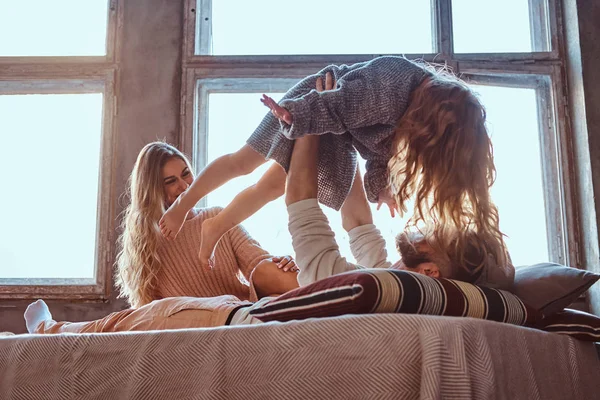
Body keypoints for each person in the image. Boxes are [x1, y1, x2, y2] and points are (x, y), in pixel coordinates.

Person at [158, 56, 507, 277]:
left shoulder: (412, 121)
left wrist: (380, 188)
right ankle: (183, 206)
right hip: (314, 102)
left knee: (272, 187)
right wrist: (296, 118)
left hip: (334, 126)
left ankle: (215, 226)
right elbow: (340, 101)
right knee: (244, 162)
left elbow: (378, 151)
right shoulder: (392, 84)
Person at [284, 115, 514, 289]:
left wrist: (310, 121)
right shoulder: (393, 280)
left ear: (429, 271)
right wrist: (340, 136)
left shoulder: (374, 288)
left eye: (435, 234)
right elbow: (358, 223)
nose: (426, 224)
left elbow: (301, 205)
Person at [115, 142, 299, 309]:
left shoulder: (217, 216)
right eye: (171, 182)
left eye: (186, 174)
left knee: (266, 269)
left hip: (240, 310)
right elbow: (150, 310)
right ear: (153, 190)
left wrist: (282, 263)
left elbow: (257, 264)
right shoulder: (146, 242)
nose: (185, 186)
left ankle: (323, 290)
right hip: (195, 323)